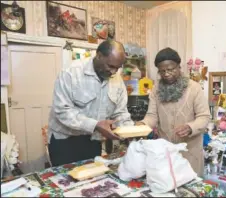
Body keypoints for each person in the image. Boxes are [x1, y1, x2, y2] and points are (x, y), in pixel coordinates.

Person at [48, 40, 134, 166]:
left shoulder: (117, 80)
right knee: (66, 181)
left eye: (118, 67)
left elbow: (120, 112)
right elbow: (63, 110)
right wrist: (96, 125)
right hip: (65, 141)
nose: (114, 72)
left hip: (93, 140)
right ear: (99, 56)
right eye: (110, 66)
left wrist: (129, 131)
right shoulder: (71, 73)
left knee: (93, 179)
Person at [136, 48, 210, 176]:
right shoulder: (156, 90)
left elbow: (204, 117)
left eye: (171, 69)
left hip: (189, 152)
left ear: (179, 67)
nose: (166, 74)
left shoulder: (194, 88)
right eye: (162, 71)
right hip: (165, 152)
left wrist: (190, 127)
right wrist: (142, 125)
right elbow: (152, 116)